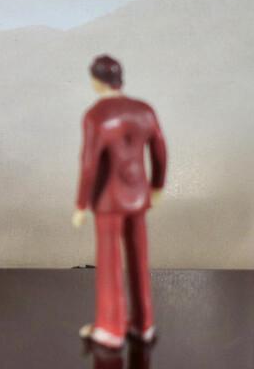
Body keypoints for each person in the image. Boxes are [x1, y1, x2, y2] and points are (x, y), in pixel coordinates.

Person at [72, 54, 167, 349]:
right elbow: (160, 149)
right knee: (139, 258)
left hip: (108, 199)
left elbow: (89, 163)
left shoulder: (96, 115)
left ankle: (111, 327)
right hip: (138, 195)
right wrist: (157, 185)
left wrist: (81, 203)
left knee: (109, 262)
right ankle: (143, 323)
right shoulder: (144, 110)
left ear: (97, 81)